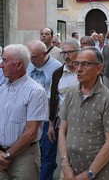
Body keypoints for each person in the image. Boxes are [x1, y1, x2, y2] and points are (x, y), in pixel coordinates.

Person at [58, 47, 109, 179]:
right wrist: (65, 166)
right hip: (70, 169)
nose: (79, 69)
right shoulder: (70, 93)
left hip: (99, 172)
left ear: (99, 68)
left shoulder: (108, 99)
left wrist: (89, 173)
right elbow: (62, 131)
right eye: (77, 64)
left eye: (85, 64)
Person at [0, 44, 48, 179]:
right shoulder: (2, 89)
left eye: (5, 61)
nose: (1, 65)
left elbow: (31, 133)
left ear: (19, 65)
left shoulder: (36, 92)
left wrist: (8, 155)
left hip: (24, 158)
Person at [27, 40, 62, 180]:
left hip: (48, 117)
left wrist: (53, 121)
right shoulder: (28, 64)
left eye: (34, 57)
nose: (32, 61)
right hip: (30, 116)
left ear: (44, 54)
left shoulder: (57, 67)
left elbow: (58, 95)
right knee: (35, 151)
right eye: (30, 57)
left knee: (47, 153)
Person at [47, 39, 80, 178]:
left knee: (81, 158)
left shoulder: (86, 71)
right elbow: (52, 99)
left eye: (69, 52)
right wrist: (50, 124)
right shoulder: (57, 74)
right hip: (63, 124)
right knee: (65, 159)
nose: (66, 56)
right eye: (63, 53)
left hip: (84, 123)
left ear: (78, 52)